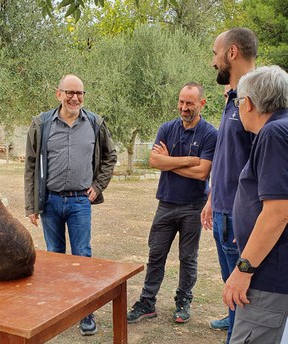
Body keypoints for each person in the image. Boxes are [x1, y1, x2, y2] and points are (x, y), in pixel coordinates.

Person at [24, 74, 117, 336]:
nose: (75, 98)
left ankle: (86, 313)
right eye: (70, 92)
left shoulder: (95, 123)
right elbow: (31, 165)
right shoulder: (41, 124)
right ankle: (58, 311)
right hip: (50, 201)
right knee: (54, 258)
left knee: (82, 259)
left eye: (80, 93)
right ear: (59, 94)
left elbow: (111, 156)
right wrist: (31, 206)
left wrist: (98, 186)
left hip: (80, 202)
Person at [127, 83, 218, 324]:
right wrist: (188, 160)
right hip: (166, 203)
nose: (184, 107)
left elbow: (202, 173)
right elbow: (155, 161)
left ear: (202, 104)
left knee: (188, 258)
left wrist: (170, 161)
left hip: (193, 206)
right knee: (156, 255)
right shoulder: (166, 129)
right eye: (181, 101)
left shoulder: (210, 134)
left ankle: (183, 301)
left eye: (189, 103)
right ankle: (147, 302)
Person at [223, 65, 288, 344]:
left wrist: (243, 269)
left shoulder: (273, 134)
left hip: (268, 276)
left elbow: (278, 213)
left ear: (248, 103)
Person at [201, 27, 257, 342]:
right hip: (222, 208)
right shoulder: (233, 97)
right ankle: (233, 321)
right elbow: (229, 155)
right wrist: (212, 199)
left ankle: (237, 334)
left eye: (215, 52)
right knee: (229, 279)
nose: (213, 61)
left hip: (241, 214)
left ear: (232, 52)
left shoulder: (256, 99)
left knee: (244, 285)